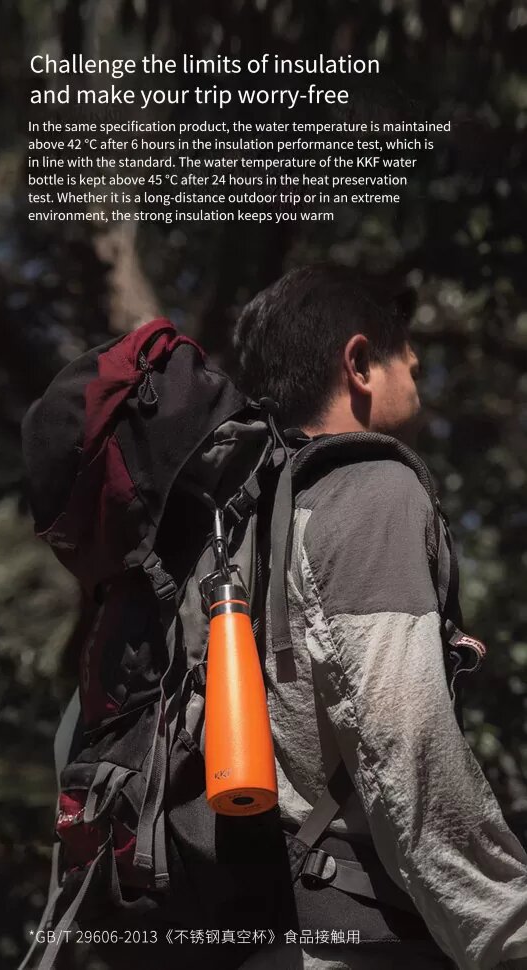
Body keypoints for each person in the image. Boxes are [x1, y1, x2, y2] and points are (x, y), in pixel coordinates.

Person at [231, 263, 527, 970]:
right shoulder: (373, 490)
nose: (418, 375)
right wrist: (508, 930)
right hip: (361, 936)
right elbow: (405, 742)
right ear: (360, 364)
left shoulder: (248, 516)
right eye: (409, 361)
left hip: (265, 924)